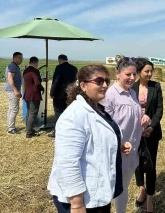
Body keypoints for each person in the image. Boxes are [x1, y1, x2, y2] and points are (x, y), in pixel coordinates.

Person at [47, 65, 132, 213]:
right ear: (83, 85)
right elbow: (67, 163)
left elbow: (95, 142)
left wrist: (116, 146)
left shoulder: (97, 109)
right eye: (99, 81)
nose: (105, 85)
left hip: (96, 195)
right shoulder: (74, 116)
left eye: (107, 80)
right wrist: (77, 204)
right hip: (82, 200)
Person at [100, 57, 150, 213]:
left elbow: (132, 119)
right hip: (116, 153)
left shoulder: (132, 93)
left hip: (132, 152)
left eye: (134, 74)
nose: (132, 78)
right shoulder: (110, 96)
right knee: (110, 189)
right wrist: (118, 143)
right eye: (128, 74)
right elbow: (104, 126)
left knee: (123, 188)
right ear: (117, 74)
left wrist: (144, 120)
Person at [132, 58, 163, 213]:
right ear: (139, 72)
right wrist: (136, 128)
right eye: (147, 71)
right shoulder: (132, 87)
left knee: (151, 165)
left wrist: (151, 126)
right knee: (137, 163)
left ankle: (150, 198)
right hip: (135, 132)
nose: (150, 74)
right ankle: (141, 189)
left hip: (152, 132)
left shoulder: (156, 86)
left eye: (151, 71)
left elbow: (159, 110)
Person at [49, 54, 78, 138]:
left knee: (58, 112)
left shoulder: (59, 68)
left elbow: (56, 81)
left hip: (59, 94)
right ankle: (70, 130)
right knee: (70, 113)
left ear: (60, 60)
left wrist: (52, 93)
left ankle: (57, 131)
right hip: (71, 94)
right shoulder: (74, 68)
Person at [23, 56, 44, 138]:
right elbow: (37, 83)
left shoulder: (26, 70)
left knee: (29, 112)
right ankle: (29, 132)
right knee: (33, 113)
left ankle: (29, 128)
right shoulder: (35, 71)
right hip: (34, 95)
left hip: (27, 94)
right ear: (36, 62)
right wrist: (41, 82)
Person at [5, 52, 23, 135]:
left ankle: (9, 126)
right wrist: (15, 90)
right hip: (12, 90)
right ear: (14, 58)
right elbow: (10, 78)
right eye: (19, 58)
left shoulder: (15, 66)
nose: (21, 59)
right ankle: (11, 129)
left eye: (21, 58)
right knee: (14, 109)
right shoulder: (12, 66)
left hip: (12, 90)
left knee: (11, 109)